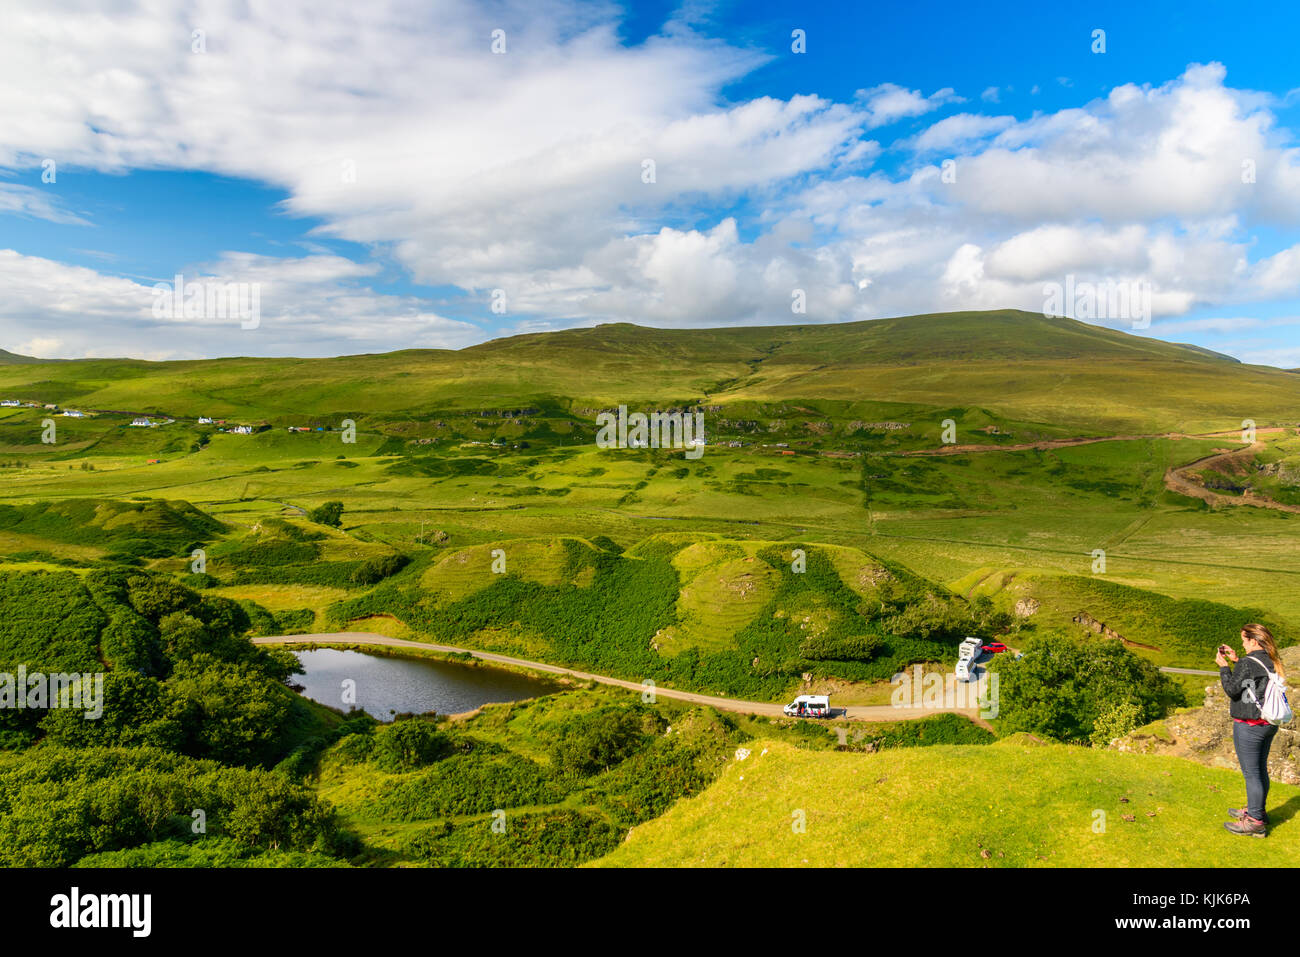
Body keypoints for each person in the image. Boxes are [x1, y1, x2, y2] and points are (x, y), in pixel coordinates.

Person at [1216, 623, 1287, 837]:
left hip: (1250, 725)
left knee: (1251, 773)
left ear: (1253, 641)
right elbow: (1254, 680)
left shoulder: (1250, 662)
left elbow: (1232, 690)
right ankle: (1258, 811)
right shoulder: (1270, 658)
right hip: (1268, 724)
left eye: (1245, 640)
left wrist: (1224, 666)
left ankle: (1255, 821)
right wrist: (1238, 661)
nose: (1243, 644)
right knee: (1260, 769)